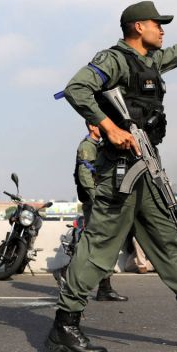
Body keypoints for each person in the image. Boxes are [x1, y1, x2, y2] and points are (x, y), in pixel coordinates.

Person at [47, 1, 177, 351]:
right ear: (139, 27)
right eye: (158, 24)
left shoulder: (151, 61)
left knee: (169, 241)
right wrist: (109, 127)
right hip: (120, 169)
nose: (163, 29)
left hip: (147, 163)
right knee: (98, 246)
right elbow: (76, 87)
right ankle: (64, 326)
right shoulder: (113, 59)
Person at [56, 121, 127, 301]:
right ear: (92, 126)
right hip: (95, 203)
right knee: (96, 242)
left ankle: (105, 288)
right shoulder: (87, 146)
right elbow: (85, 175)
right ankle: (66, 272)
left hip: (102, 202)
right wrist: (97, 199)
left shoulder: (99, 145)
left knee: (105, 244)